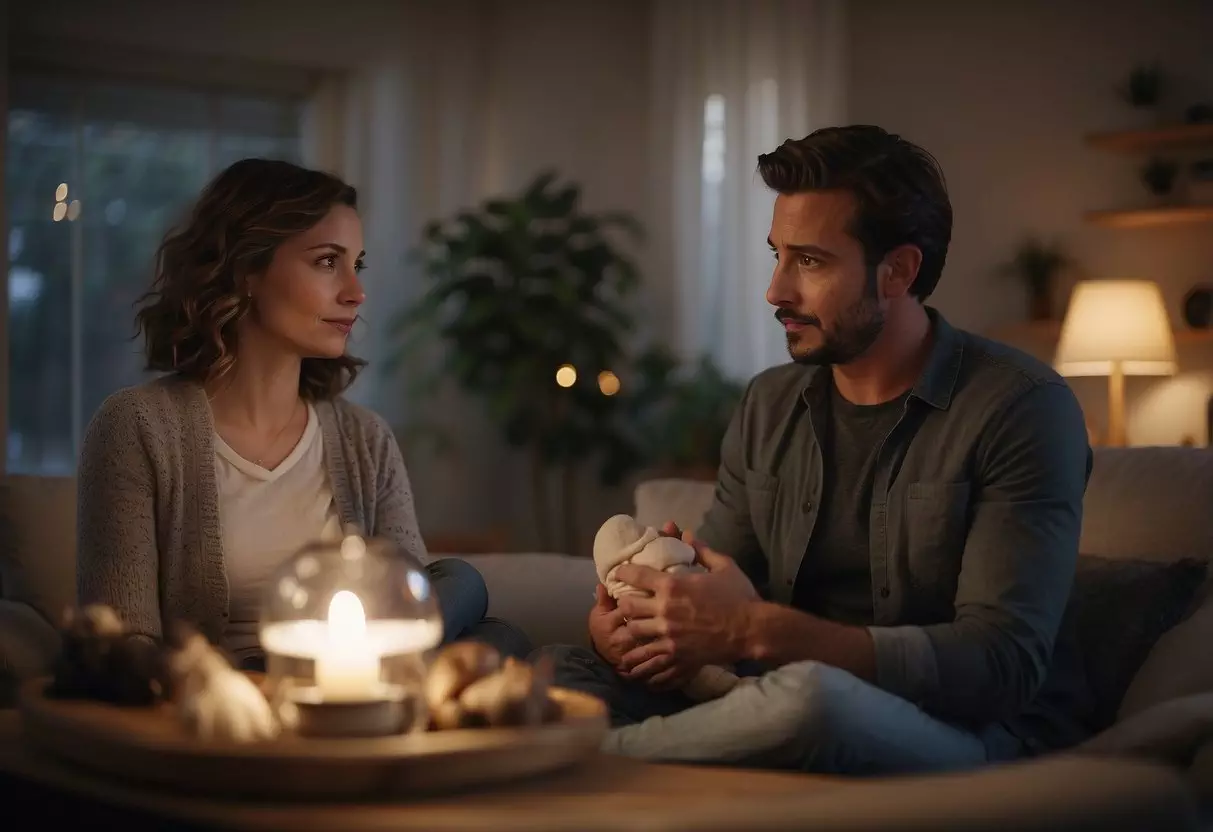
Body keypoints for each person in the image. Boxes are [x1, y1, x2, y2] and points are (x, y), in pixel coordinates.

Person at [540, 125, 1094, 775]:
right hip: (760, 694)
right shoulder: (769, 404)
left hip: (959, 731)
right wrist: (645, 630)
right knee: (556, 670)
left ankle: (589, 760)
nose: (776, 291)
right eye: (776, 255)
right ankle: (589, 747)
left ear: (898, 271)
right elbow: (718, 590)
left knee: (813, 701)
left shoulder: (1020, 408)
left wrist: (754, 630)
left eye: (809, 261)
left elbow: (1001, 665)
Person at [77, 158, 530, 668]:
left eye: (356, 264)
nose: (355, 292)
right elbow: (120, 646)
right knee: (490, 646)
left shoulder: (365, 438)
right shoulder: (137, 426)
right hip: (237, 699)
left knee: (472, 598)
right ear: (246, 269)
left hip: (367, 688)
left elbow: (412, 604)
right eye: (325, 262)